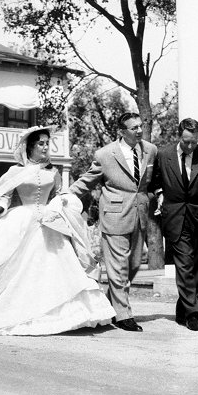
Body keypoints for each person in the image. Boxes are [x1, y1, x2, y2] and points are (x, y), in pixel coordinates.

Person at [0, 126, 116, 335]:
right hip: (20, 220)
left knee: (55, 266)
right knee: (15, 266)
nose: (44, 147)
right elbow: (3, 197)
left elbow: (62, 195)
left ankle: (59, 315)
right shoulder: (15, 171)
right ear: (30, 147)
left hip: (49, 222)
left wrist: (58, 207)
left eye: (46, 143)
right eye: (40, 143)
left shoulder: (53, 171)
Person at [70, 112, 157, 332]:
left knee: (134, 266)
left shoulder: (150, 150)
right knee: (118, 268)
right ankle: (123, 315)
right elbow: (87, 181)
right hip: (114, 215)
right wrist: (66, 196)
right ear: (121, 131)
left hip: (140, 215)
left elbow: (151, 181)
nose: (139, 131)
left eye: (140, 126)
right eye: (133, 128)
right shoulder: (105, 154)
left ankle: (108, 307)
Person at [152, 118, 198, 331]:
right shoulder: (164, 155)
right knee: (184, 265)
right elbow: (155, 182)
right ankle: (193, 314)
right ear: (179, 136)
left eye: (193, 142)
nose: (190, 146)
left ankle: (182, 310)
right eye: (186, 142)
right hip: (175, 218)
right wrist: (160, 195)